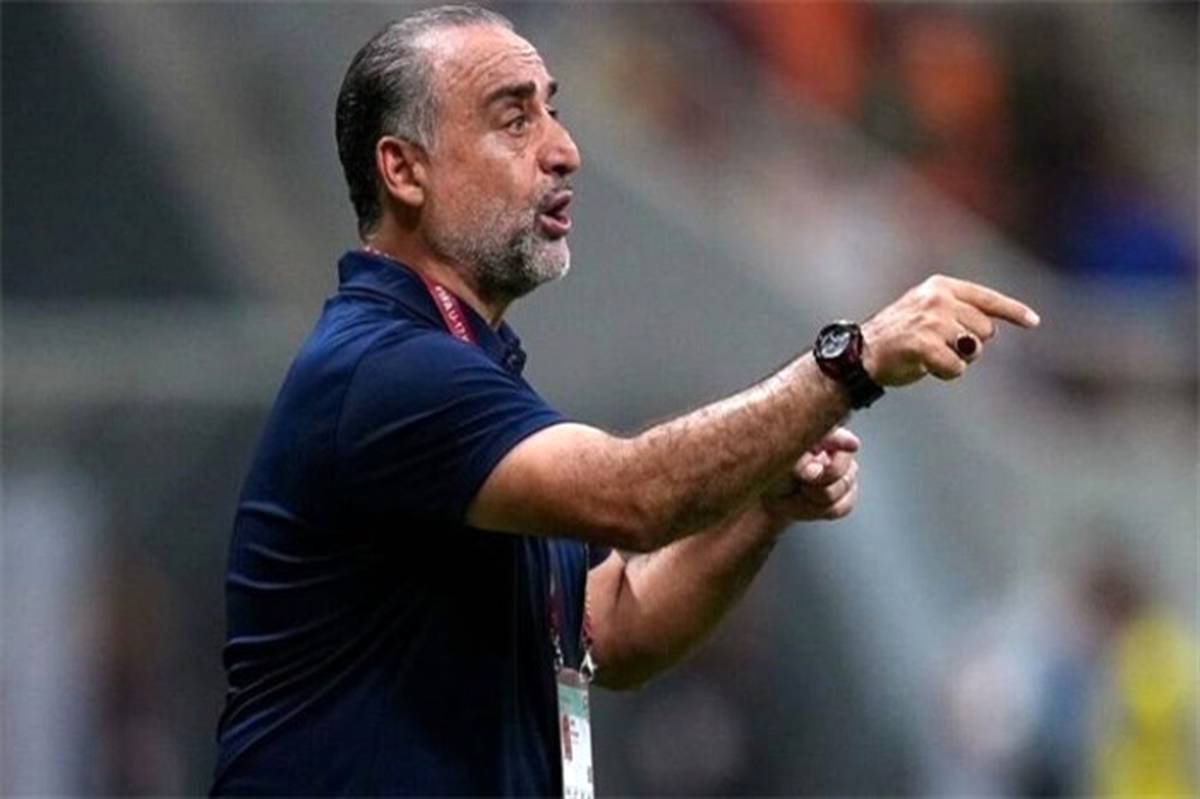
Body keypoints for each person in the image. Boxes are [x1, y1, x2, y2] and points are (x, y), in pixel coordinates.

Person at [210, 5, 1040, 796]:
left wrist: (761, 507)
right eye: (514, 119)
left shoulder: (467, 377)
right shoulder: (385, 369)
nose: (564, 149)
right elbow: (632, 495)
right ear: (404, 170)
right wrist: (850, 360)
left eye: (553, 112)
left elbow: (614, 624)